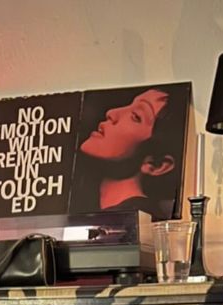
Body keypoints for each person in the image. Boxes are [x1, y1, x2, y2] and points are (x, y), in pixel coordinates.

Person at [74, 87, 177, 218]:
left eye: (136, 116)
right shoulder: (89, 202)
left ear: (157, 165)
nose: (111, 113)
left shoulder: (140, 221)